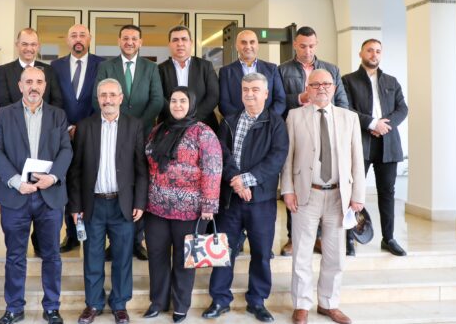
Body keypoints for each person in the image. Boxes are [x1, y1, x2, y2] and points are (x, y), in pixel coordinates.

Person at [280, 69, 365, 324]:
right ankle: (302, 304)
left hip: (339, 196)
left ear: (334, 87)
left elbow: (357, 160)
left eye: (326, 84)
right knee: (302, 252)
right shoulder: (294, 116)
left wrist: (358, 195)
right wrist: (287, 190)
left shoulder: (349, 118)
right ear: (308, 88)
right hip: (306, 194)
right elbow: (287, 157)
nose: (321, 88)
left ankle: (328, 303)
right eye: (315, 84)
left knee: (335, 254)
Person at [204, 73, 289, 323]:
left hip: (261, 201)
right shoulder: (229, 121)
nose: (249, 94)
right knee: (224, 251)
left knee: (261, 252)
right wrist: (236, 180)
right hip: (231, 200)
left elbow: (276, 158)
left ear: (266, 94)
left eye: (255, 89)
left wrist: (247, 180)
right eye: (245, 89)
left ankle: (257, 301)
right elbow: (221, 154)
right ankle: (220, 299)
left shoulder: (276, 123)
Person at [0, 67, 73, 324]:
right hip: (16, 196)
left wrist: (53, 177)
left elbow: (66, 150)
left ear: (45, 86)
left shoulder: (58, 115)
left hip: (49, 196)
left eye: (38, 81)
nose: (34, 86)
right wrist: (16, 182)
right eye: (29, 81)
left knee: (52, 255)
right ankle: (14, 307)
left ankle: (52, 307)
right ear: (20, 86)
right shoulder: (5, 114)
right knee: (15, 256)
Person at [67, 78, 148, 324]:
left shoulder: (134, 126)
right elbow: (75, 170)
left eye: (113, 95)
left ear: (121, 98)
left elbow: (141, 168)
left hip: (123, 205)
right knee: (92, 257)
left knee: (123, 258)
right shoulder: (85, 126)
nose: (108, 100)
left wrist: (140, 202)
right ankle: (93, 304)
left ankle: (120, 304)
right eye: (103, 95)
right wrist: (76, 206)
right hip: (92, 205)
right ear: (98, 99)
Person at [142, 87, 221, 323]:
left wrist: (209, 205)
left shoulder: (202, 132)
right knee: (156, 256)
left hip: (190, 210)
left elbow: (213, 169)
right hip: (156, 208)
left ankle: (180, 305)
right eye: (174, 101)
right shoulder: (158, 130)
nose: (177, 105)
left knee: (184, 260)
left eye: (183, 101)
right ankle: (158, 302)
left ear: (191, 104)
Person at [278, 26, 349, 257]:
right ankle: (293, 238)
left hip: (326, 129)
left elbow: (342, 102)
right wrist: (300, 98)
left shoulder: (331, 69)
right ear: (295, 45)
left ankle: (319, 238)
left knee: (323, 182)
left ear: (316, 45)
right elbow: (278, 101)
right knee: (298, 180)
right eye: (302, 46)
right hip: (298, 129)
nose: (307, 51)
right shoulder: (283, 70)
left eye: (311, 46)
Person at [95, 24, 164, 260]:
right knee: (117, 183)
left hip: (143, 134)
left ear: (140, 42)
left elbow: (157, 100)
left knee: (139, 184)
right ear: (119, 41)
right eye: (125, 38)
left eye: (134, 38)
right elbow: (98, 98)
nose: (130, 42)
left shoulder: (151, 68)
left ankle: (137, 240)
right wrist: (121, 124)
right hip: (112, 133)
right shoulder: (106, 66)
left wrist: (135, 126)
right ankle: (113, 242)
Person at [342, 39, 408, 256]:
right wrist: (372, 123)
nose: (374, 54)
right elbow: (346, 109)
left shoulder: (391, 81)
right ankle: (348, 238)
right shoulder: (348, 80)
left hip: (388, 144)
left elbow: (402, 109)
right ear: (361, 53)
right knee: (352, 192)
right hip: (361, 142)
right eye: (369, 50)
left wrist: (384, 126)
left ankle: (388, 238)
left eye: (378, 51)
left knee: (387, 192)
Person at [51, 24, 105, 253]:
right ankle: (71, 234)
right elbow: (53, 99)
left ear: (90, 39)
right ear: (67, 40)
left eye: (82, 35)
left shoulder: (102, 64)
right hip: (62, 133)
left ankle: (93, 231)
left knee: (91, 179)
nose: (78, 39)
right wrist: (67, 126)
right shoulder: (55, 66)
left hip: (93, 132)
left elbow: (101, 98)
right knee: (66, 181)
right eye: (73, 35)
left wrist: (82, 127)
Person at [158, 25, 219, 131]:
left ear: (191, 42)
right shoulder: (160, 69)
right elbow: (159, 96)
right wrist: (177, 116)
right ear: (169, 44)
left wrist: (192, 118)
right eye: (175, 40)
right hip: (169, 125)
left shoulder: (205, 66)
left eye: (184, 39)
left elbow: (214, 95)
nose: (180, 43)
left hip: (202, 124)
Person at [219, 29, 286, 117]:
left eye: (252, 42)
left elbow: (280, 100)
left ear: (257, 45)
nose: (248, 46)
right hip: (238, 123)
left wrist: (267, 119)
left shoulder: (272, 69)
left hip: (268, 122)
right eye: (243, 42)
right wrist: (244, 119)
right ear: (236, 46)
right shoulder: (225, 72)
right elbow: (224, 103)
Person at [0, 27, 63, 109]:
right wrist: (24, 116)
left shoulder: (49, 71)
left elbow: (57, 101)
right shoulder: (4, 71)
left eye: (33, 44)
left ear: (38, 46)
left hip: (45, 117)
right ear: (17, 45)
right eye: (24, 44)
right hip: (13, 117)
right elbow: (3, 104)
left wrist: (39, 116)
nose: (29, 49)